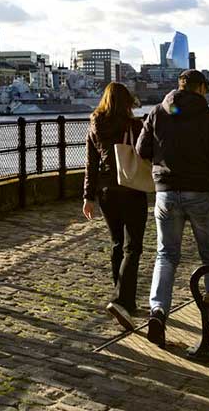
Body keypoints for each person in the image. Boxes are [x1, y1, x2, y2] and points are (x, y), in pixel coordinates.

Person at [137, 69, 209, 348]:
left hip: (166, 194)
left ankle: (157, 312)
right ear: (201, 89)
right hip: (200, 194)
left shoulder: (158, 112)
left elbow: (140, 149)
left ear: (179, 87)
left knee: (165, 255)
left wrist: (162, 160)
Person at [82, 82, 147, 329]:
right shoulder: (135, 125)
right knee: (134, 247)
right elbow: (147, 154)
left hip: (107, 191)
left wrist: (88, 197)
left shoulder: (95, 127)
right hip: (132, 189)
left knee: (117, 243)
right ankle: (123, 300)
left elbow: (90, 165)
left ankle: (120, 295)